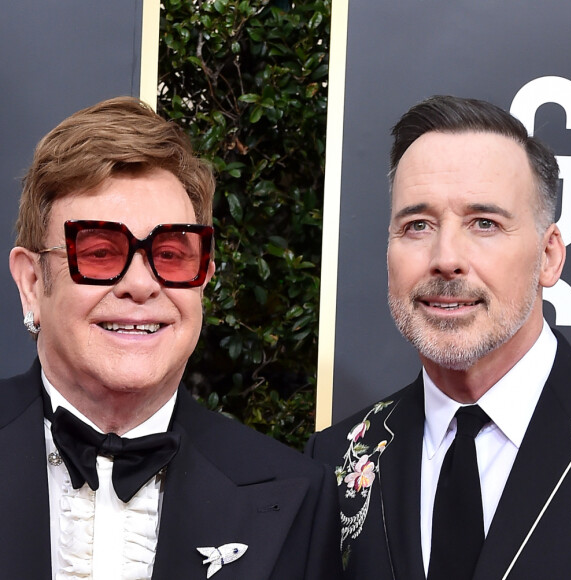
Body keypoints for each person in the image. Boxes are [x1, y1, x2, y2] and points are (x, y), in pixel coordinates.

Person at [4, 96, 343, 580]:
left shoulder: (296, 496)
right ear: (33, 285)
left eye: (170, 253)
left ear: (203, 278)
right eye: (100, 252)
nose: (141, 285)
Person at [306, 95, 571, 579]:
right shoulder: (335, 462)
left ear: (549, 255)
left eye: (484, 223)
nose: (446, 257)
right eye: (418, 225)